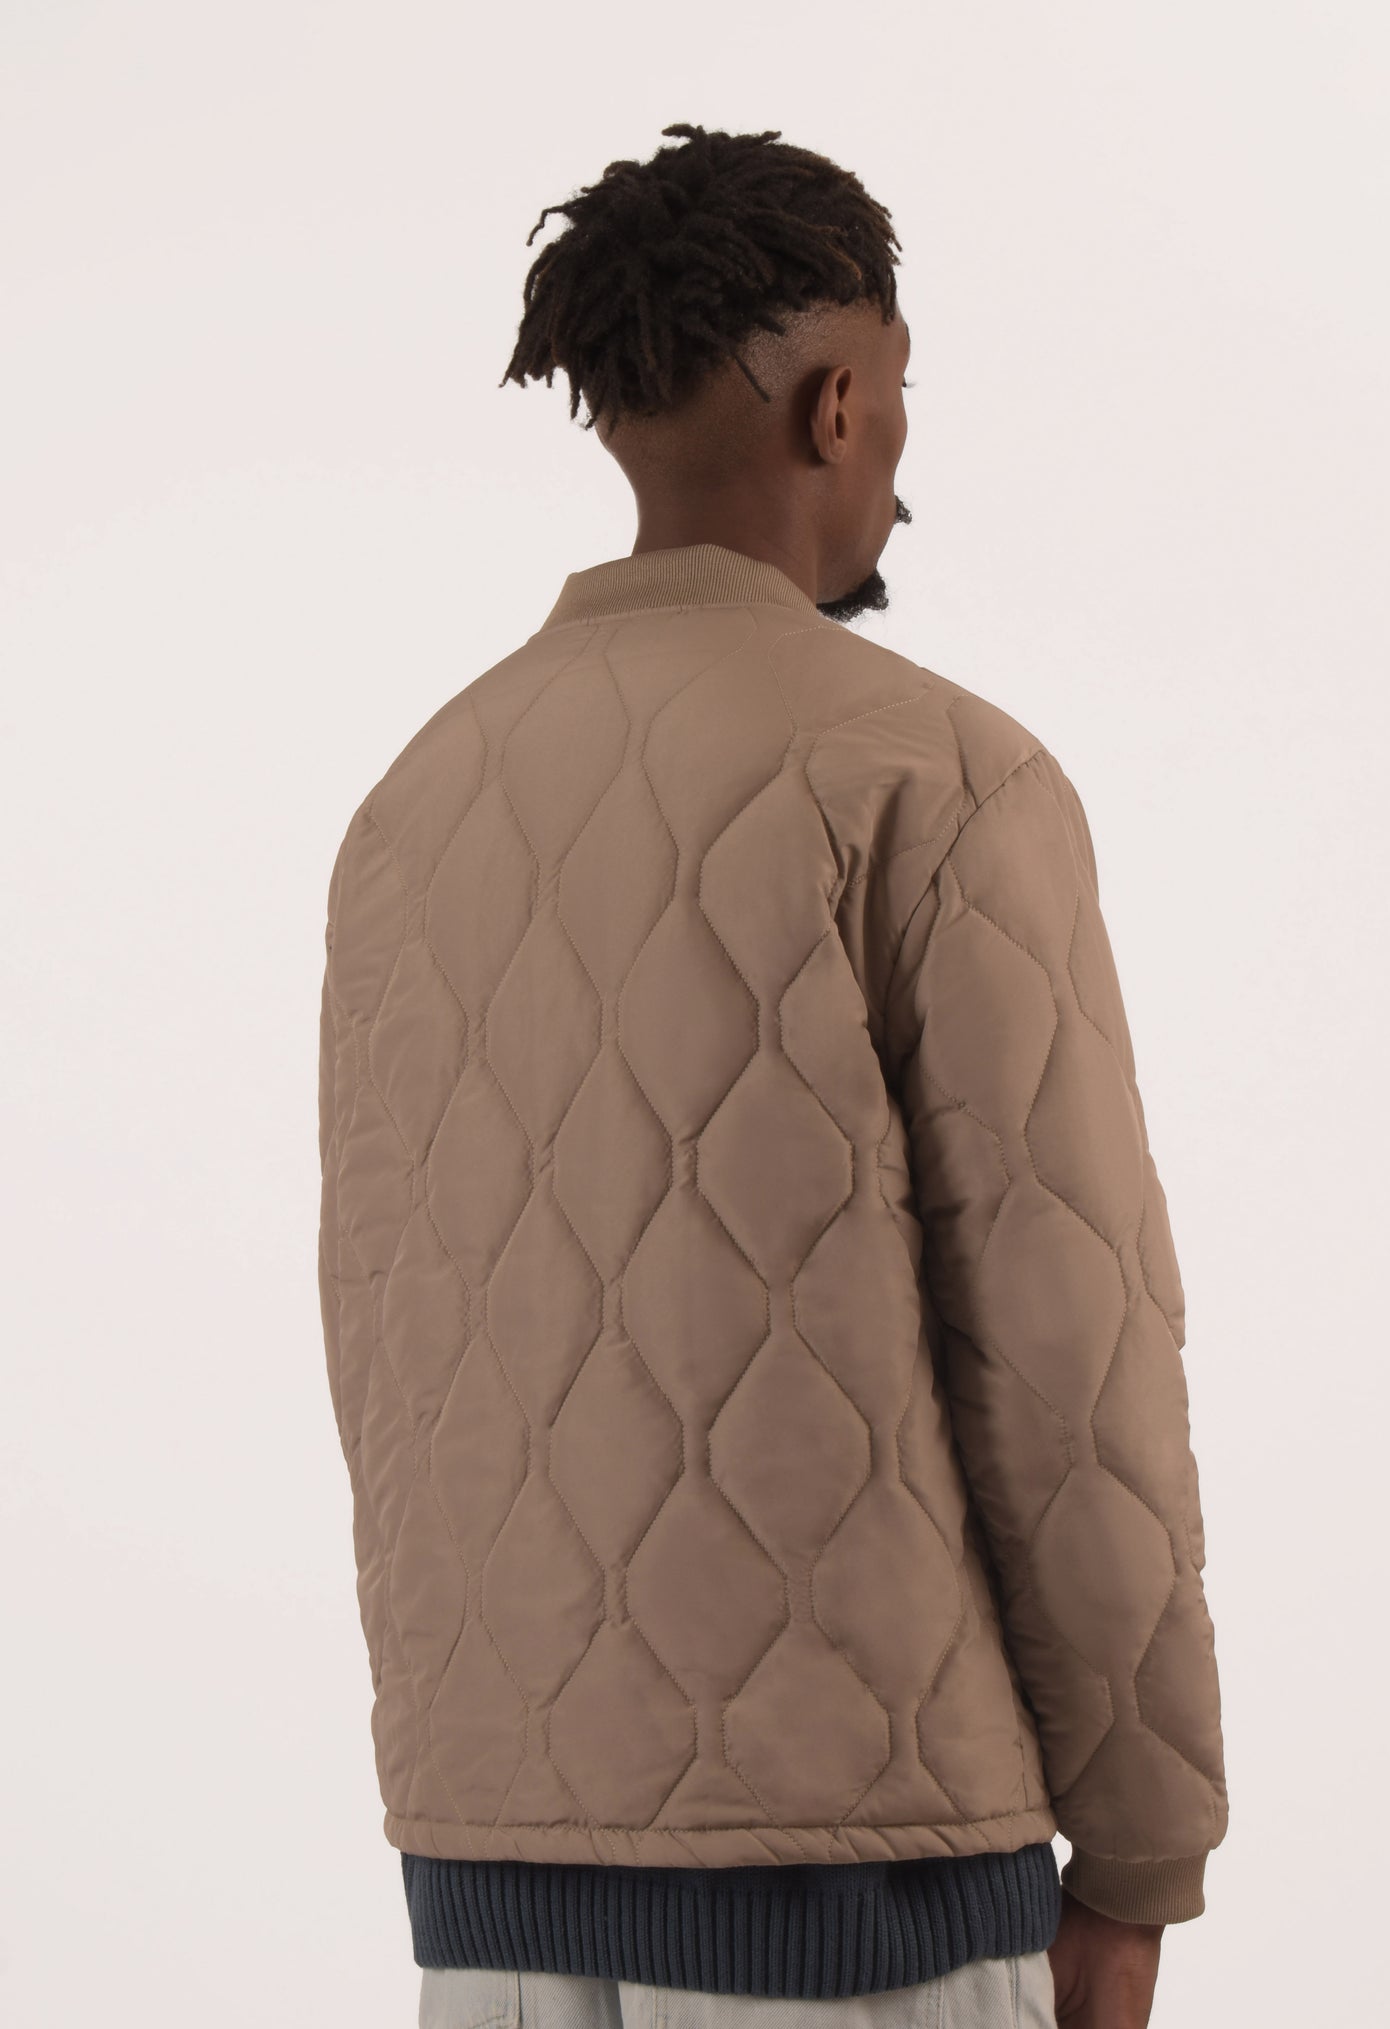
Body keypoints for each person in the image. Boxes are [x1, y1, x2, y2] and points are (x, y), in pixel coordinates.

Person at [316, 122, 1228, 2029]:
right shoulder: (934, 777)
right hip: (863, 1898)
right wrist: (1141, 1856)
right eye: (898, 400)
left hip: (488, 1898)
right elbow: (1066, 1356)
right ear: (839, 406)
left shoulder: (413, 805)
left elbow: (389, 1349)